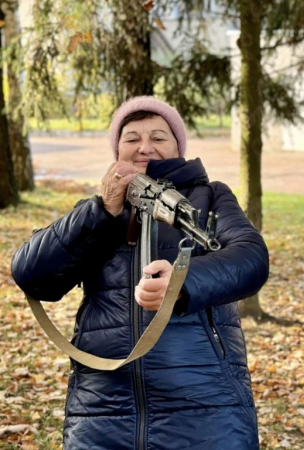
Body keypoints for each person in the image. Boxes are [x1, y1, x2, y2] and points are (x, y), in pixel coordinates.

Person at [11, 96, 269, 450]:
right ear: (117, 148)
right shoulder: (97, 211)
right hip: (102, 410)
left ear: (178, 145)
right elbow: (30, 273)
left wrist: (182, 282)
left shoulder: (210, 197)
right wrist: (99, 212)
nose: (144, 147)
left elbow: (251, 259)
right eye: (131, 138)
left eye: (159, 137)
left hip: (205, 405)